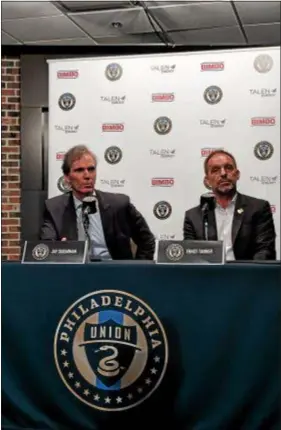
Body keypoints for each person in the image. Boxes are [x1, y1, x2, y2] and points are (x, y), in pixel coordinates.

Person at [40, 145, 155, 260]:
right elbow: (47, 247)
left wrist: (135, 271)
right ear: (67, 178)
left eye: (91, 169)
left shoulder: (120, 204)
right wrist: (58, 250)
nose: (87, 176)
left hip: (115, 272)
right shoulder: (54, 208)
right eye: (79, 170)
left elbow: (147, 241)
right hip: (75, 273)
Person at [183, 150, 276, 261]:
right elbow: (191, 257)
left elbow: (265, 251)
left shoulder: (258, 208)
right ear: (207, 181)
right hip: (209, 276)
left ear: (237, 175)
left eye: (228, 168)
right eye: (215, 170)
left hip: (246, 275)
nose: (223, 173)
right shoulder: (194, 216)